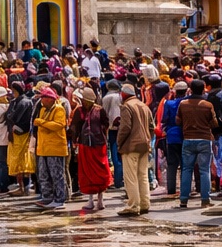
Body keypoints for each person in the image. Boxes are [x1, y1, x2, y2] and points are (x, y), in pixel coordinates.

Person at [176, 80, 219, 209]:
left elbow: (177, 121)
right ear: (203, 89)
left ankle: (183, 200)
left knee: (186, 170)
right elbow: (214, 123)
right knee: (204, 170)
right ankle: (205, 199)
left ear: (191, 89)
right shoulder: (208, 105)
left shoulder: (183, 104)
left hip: (188, 139)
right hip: (204, 139)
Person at [70, 86, 112, 214]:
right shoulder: (78, 111)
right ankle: (90, 199)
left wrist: (104, 138)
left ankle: (100, 198)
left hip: (99, 145)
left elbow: (106, 125)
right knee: (87, 173)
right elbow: (74, 127)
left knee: (101, 171)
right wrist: (75, 140)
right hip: (84, 145)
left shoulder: (100, 111)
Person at [117, 83, 153, 216]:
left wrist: (119, 142)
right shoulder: (144, 105)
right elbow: (151, 126)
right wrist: (148, 139)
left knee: (130, 177)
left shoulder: (127, 106)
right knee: (142, 175)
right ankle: (145, 203)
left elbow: (125, 127)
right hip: (144, 145)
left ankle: (133, 205)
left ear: (124, 94)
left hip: (131, 146)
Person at [33, 85, 70, 208]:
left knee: (57, 174)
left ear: (49, 99)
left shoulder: (59, 109)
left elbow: (59, 125)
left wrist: (41, 122)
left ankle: (60, 199)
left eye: (43, 98)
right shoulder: (43, 110)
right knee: (43, 174)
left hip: (55, 148)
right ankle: (47, 197)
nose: (41, 100)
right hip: (43, 148)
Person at [6, 84, 36, 196]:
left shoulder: (24, 102)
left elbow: (12, 117)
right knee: (18, 162)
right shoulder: (17, 101)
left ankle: (25, 187)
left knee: (23, 162)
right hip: (16, 135)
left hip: (22, 135)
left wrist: (11, 121)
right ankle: (21, 187)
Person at [161, 81, 186, 201]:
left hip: (171, 136)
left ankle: (171, 189)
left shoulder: (169, 104)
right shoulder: (187, 103)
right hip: (185, 135)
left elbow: (164, 118)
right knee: (185, 164)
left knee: (172, 164)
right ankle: (184, 188)